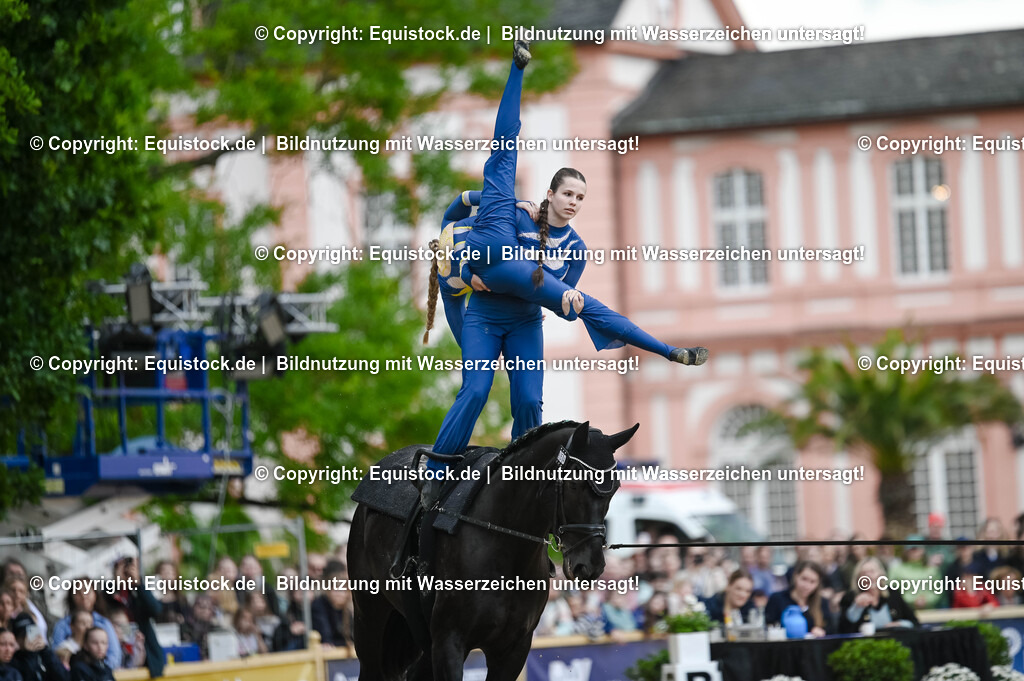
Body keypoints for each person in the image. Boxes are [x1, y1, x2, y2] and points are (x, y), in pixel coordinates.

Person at [419, 41, 708, 507]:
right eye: (568, 193)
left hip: (524, 323)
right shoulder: (511, 217)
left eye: (581, 197)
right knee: (474, 390)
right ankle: (433, 474)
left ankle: (520, 482)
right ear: (550, 194)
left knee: (530, 402)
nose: (574, 202)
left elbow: (571, 306)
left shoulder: (576, 250)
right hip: (484, 316)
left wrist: (669, 351)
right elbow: (503, 141)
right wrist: (516, 72)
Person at [838, 557, 918, 634]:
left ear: (881, 574)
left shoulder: (893, 593)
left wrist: (899, 624)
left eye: (872, 571)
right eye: (864, 573)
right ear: (858, 577)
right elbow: (843, 630)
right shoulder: (850, 597)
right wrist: (857, 607)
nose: (868, 576)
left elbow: (914, 622)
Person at [764, 560, 832, 637]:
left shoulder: (822, 602)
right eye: (804, 579)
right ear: (796, 576)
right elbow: (768, 626)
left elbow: (830, 630)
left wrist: (822, 632)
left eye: (812, 582)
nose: (807, 586)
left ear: (818, 583)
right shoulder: (777, 599)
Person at [9, 614, 66, 681]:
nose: (28, 638)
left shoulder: (45, 653)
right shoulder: (13, 660)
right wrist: (29, 655)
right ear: (17, 639)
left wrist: (45, 650)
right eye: (23, 636)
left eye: (30, 633)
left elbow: (64, 677)